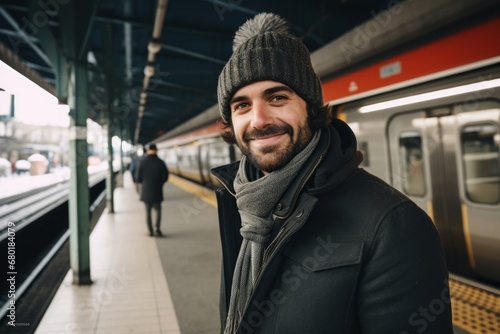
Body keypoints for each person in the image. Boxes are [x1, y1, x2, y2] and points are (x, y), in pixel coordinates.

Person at [210, 13, 453, 334]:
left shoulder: (393, 225)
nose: (258, 119)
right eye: (241, 105)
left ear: (311, 107)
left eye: (277, 97)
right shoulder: (241, 206)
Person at [135, 144, 169, 237]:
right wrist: (159, 183)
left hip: (146, 190)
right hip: (157, 190)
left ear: (148, 150)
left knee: (148, 211)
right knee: (158, 210)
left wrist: (145, 183)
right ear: (156, 150)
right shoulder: (161, 162)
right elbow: (165, 177)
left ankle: (150, 231)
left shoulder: (142, 162)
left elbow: (138, 178)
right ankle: (157, 229)